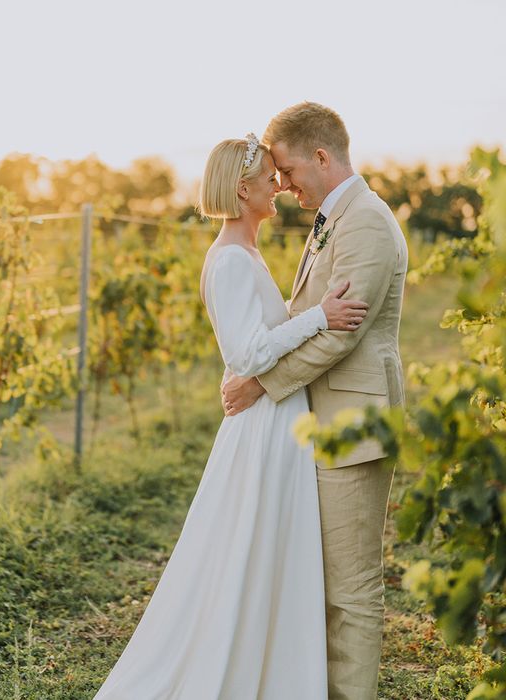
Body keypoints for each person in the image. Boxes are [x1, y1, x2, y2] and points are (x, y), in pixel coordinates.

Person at [93, 132, 369, 699]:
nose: (280, 185)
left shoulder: (245, 254)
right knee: (251, 554)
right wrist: (319, 316)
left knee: (268, 555)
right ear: (244, 190)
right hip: (263, 431)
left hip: (276, 422)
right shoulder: (231, 262)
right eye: (270, 177)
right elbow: (247, 355)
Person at [221, 102, 409, 700]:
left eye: (289, 170)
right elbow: (311, 317)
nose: (284, 185)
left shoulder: (366, 223)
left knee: (350, 592)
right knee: (327, 584)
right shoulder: (337, 217)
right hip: (326, 420)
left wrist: (262, 382)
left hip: (355, 422)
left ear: (321, 157)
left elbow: (340, 332)